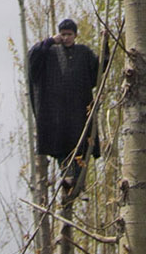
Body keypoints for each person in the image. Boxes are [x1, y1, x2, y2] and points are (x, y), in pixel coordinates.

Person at [26, 19, 102, 195]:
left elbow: (97, 72)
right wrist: (50, 41)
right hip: (56, 113)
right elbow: (33, 58)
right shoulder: (49, 53)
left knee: (80, 145)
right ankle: (67, 178)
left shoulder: (83, 53)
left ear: (76, 35)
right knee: (61, 146)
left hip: (78, 110)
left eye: (69, 34)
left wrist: (105, 50)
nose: (66, 38)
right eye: (63, 34)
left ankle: (77, 183)